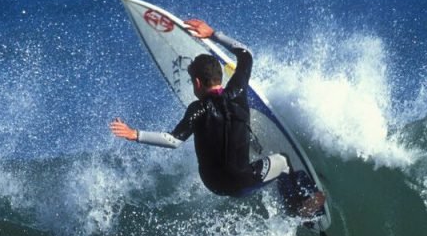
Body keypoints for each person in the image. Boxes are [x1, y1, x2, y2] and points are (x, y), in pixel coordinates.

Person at [110, 18, 325, 217]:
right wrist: (212, 34)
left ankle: (288, 196)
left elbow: (174, 140)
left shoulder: (198, 109)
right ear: (221, 76)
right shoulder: (239, 91)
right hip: (242, 181)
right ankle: (298, 205)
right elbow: (246, 53)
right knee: (284, 162)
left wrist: (134, 134)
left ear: (196, 83)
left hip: (214, 184)